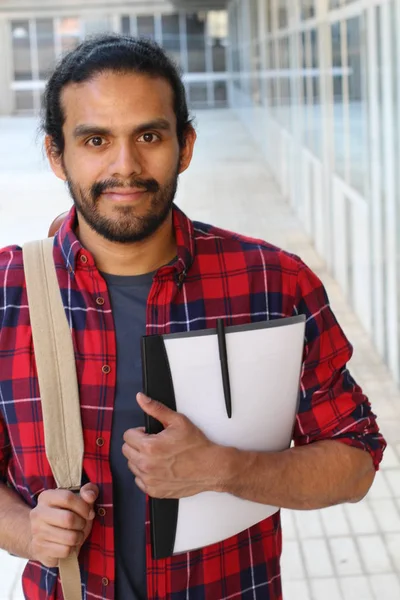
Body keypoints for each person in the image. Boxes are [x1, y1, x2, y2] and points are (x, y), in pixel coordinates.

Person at [0, 34, 386, 600]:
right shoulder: (9, 295)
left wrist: (227, 470)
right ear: (57, 154)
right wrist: (23, 530)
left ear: (185, 146)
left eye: (149, 136)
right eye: (96, 139)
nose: (125, 166)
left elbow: (356, 461)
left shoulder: (273, 283)